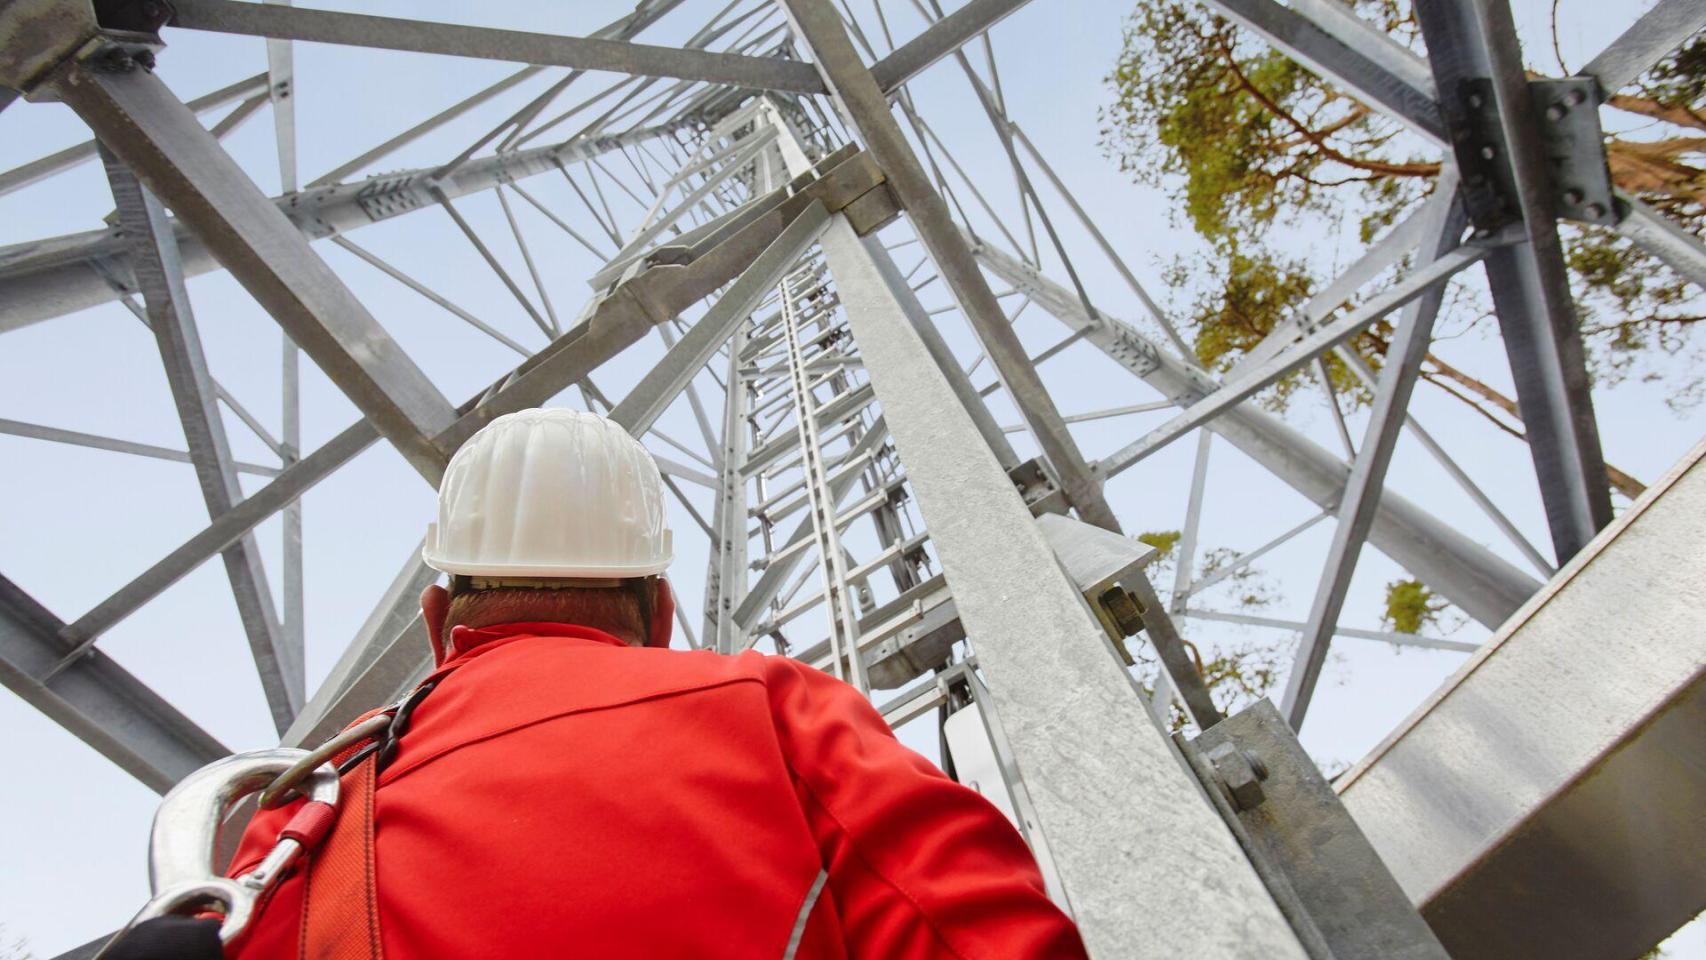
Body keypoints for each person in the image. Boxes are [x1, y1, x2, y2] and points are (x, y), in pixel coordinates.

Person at [112, 407, 1088, 959]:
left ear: (437, 619)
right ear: (656, 612)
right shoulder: (766, 706)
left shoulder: (305, 807)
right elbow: (981, 940)